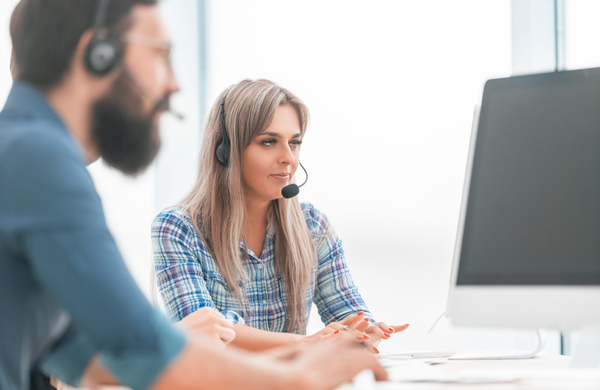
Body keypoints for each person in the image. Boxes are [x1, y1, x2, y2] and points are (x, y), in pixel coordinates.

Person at [0, 1, 387, 390]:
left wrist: (301, 356)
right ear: (98, 55)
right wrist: (300, 376)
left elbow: (92, 356)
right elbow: (139, 347)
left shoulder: (21, 154)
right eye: (160, 55)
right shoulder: (36, 159)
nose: (174, 84)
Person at [152, 79, 409, 353]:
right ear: (225, 152)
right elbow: (208, 332)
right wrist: (306, 343)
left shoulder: (313, 226)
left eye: (295, 142)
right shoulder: (177, 229)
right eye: (269, 142)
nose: (288, 157)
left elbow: (348, 310)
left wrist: (362, 331)